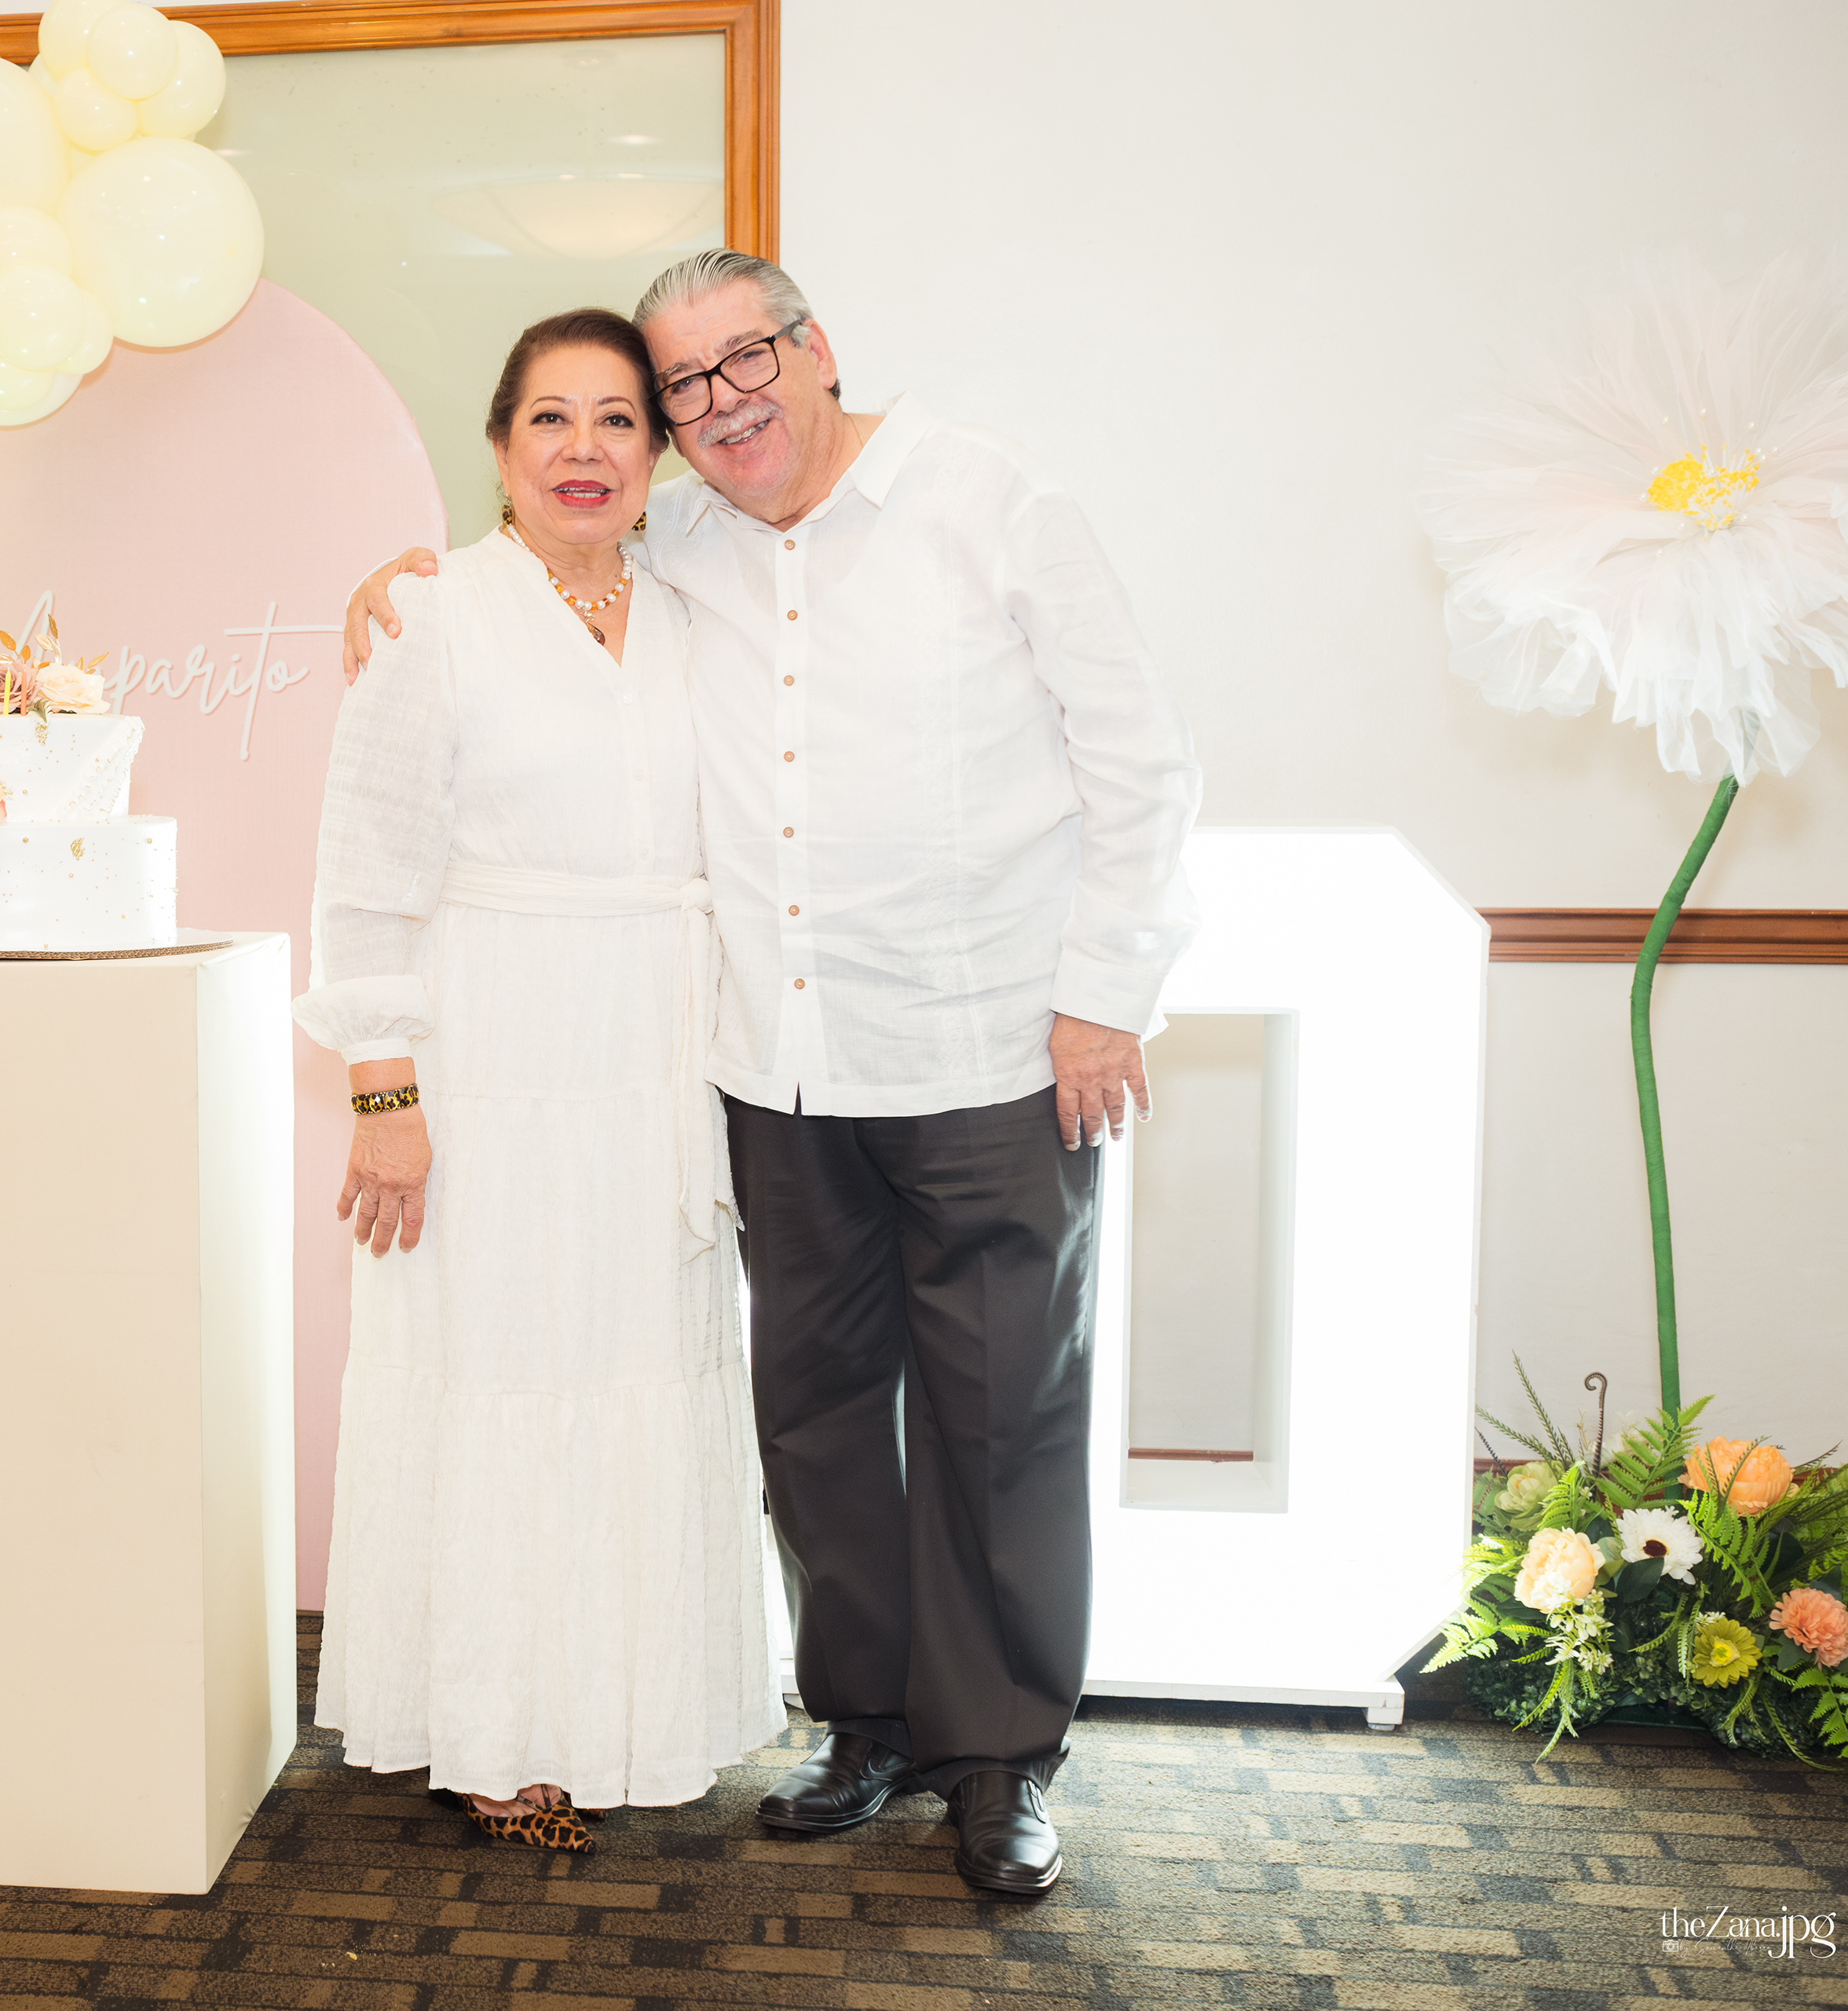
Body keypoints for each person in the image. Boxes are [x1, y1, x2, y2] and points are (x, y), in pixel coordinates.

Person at [344, 251, 1202, 1895]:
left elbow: (1140, 761)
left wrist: (1106, 997)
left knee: (1001, 1420)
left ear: (816, 350)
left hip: (982, 1051)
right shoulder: (683, 538)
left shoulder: (991, 503)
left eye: (744, 362)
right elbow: (549, 556)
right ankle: (865, 1720)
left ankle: (1000, 1756)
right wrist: (408, 581)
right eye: (684, 386)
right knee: (815, 1419)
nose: (718, 404)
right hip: (776, 1071)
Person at [294, 307, 783, 1852]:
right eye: (550, 419)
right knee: (499, 1372)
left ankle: (626, 1712)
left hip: (657, 1061)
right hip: (490, 1055)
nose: (584, 449)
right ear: (499, 447)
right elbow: (365, 880)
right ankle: (492, 1728)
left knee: (633, 1370)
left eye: (619, 419)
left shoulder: (698, 608)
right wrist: (386, 1100)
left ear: (660, 453)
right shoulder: (434, 617)